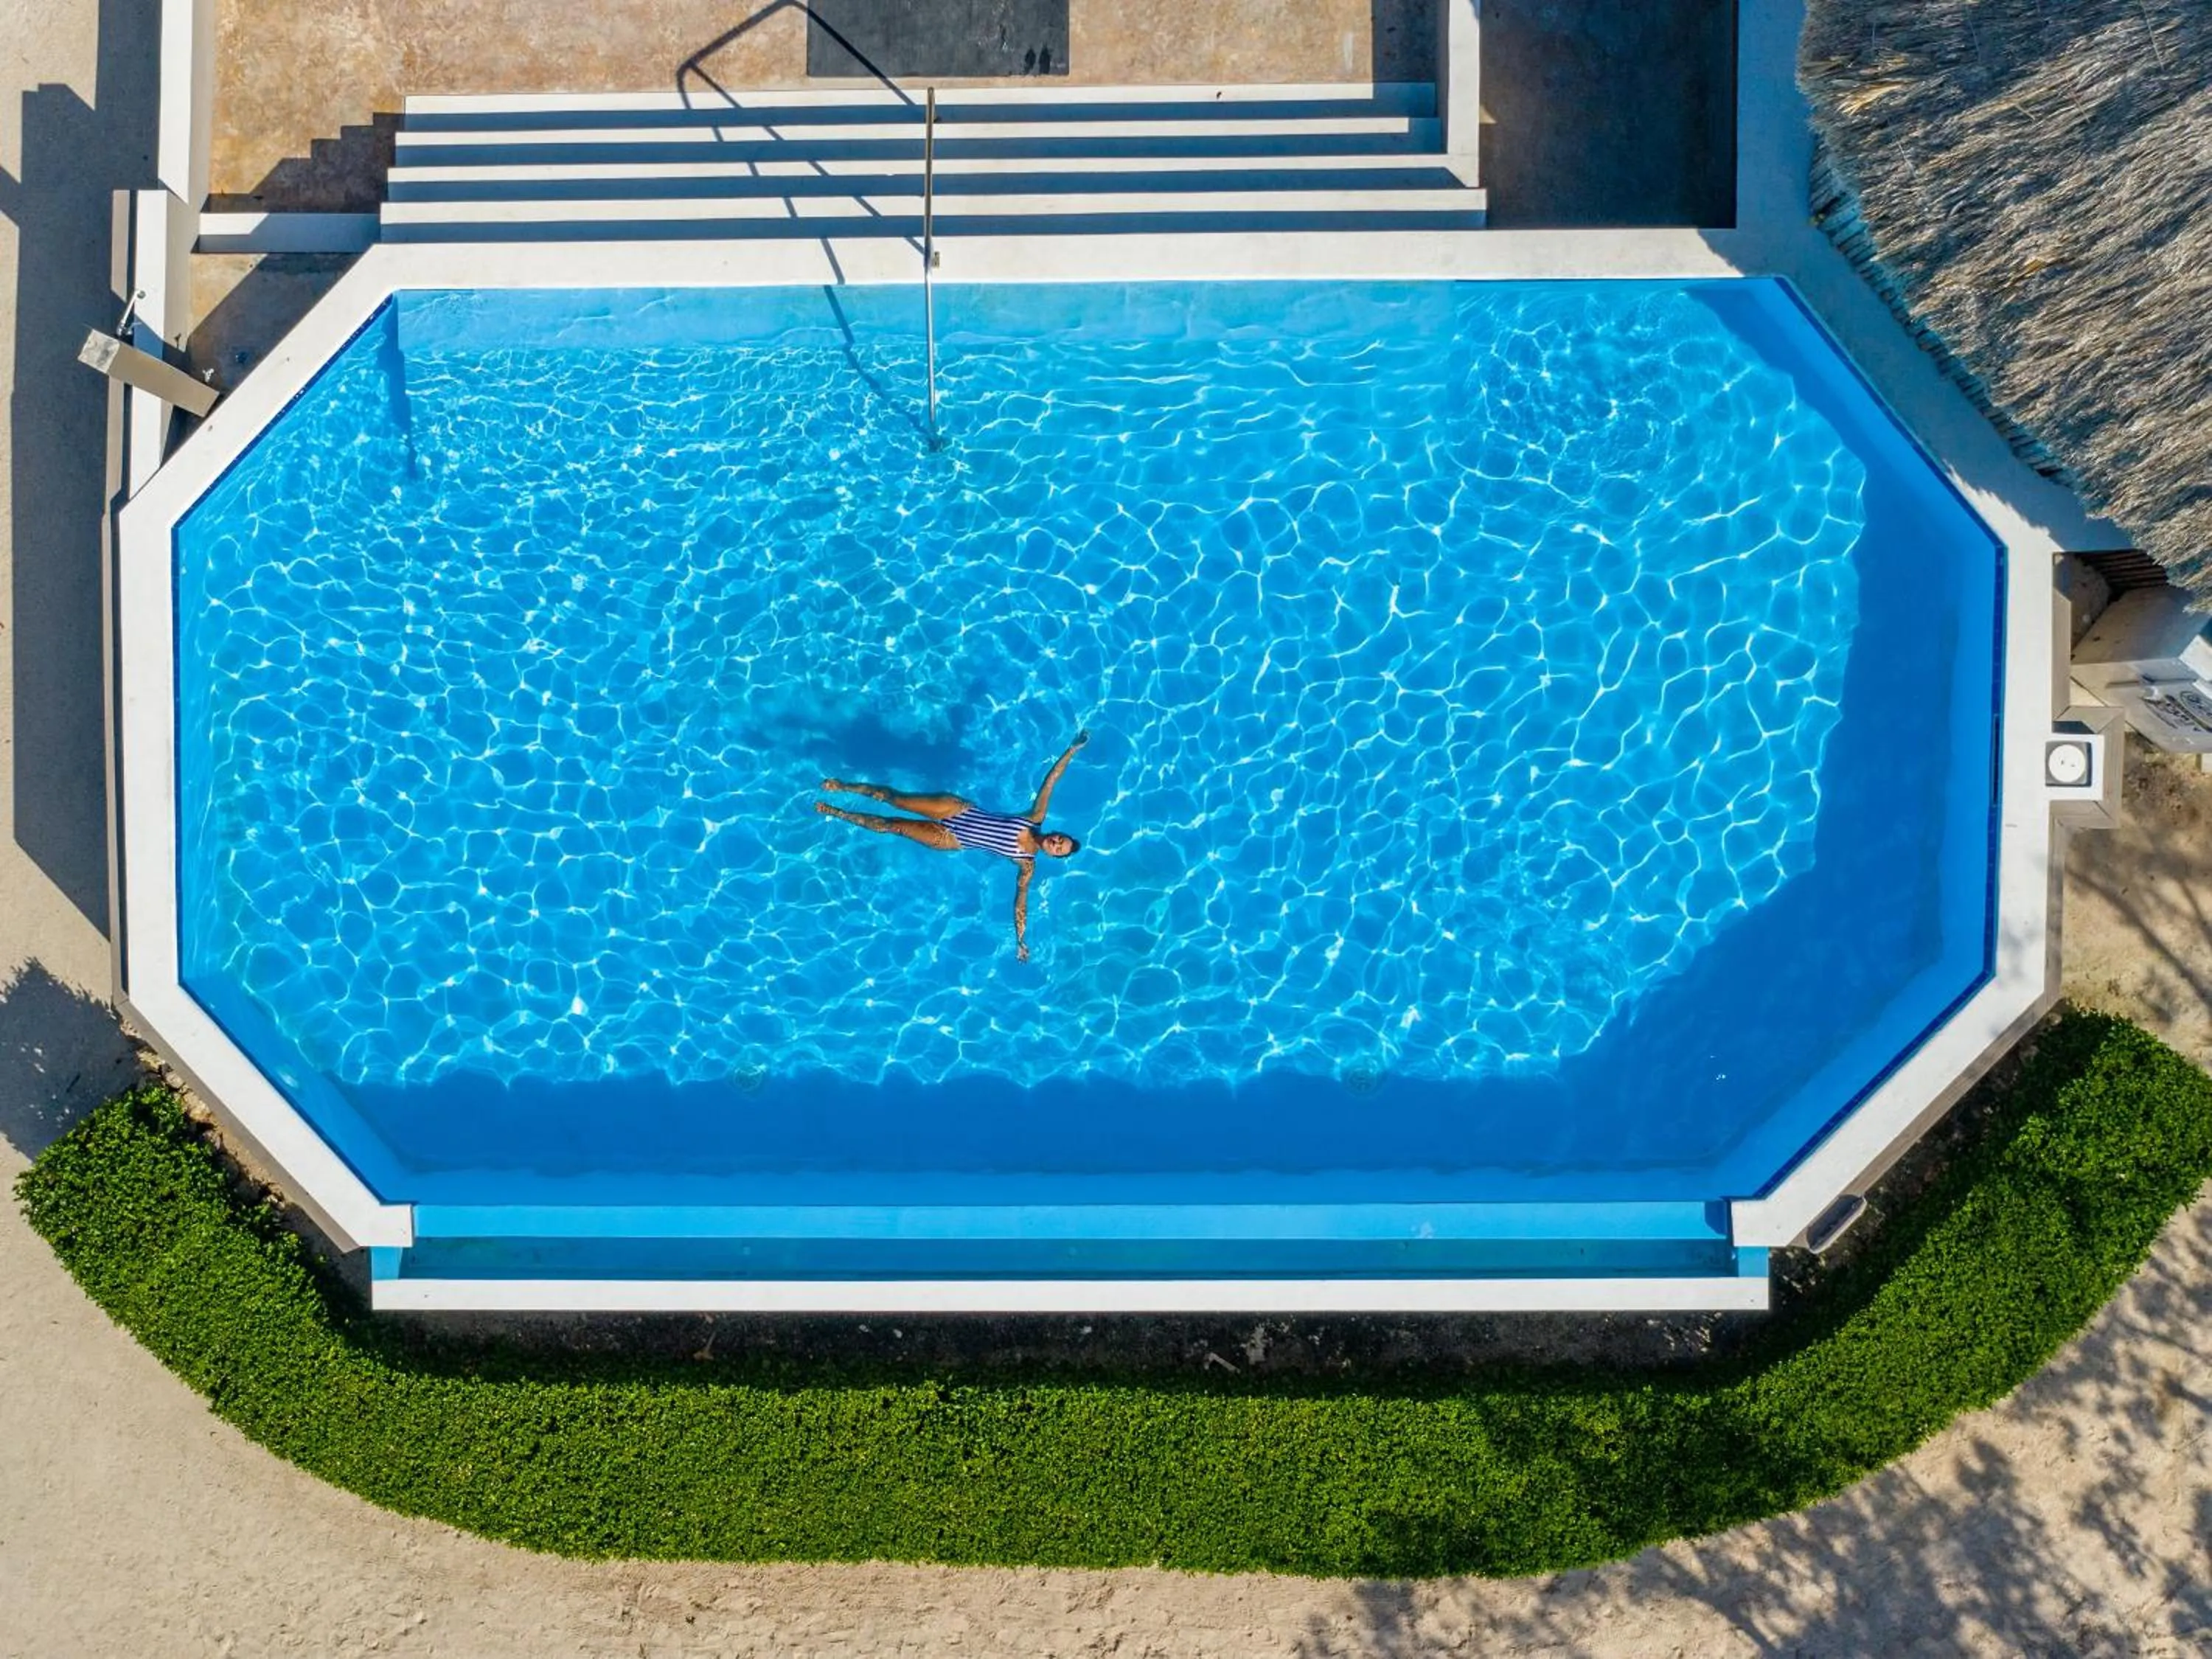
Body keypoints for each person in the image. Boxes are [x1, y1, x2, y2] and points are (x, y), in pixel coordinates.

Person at [815, 730, 1088, 961]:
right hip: (957, 810)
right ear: (1056, 832)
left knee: (892, 825)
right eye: (1060, 839)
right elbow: (1051, 781)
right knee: (895, 799)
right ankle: (845, 786)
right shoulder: (1036, 817)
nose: (1055, 843)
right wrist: (1072, 749)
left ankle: (839, 813)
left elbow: (1020, 902)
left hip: (951, 839)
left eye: (1058, 849)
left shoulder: (1027, 865)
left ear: (1052, 856)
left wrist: (1020, 939)